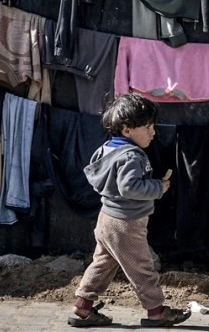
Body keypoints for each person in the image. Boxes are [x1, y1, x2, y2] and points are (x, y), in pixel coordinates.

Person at [67, 93, 192, 328]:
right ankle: (156, 312)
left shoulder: (107, 149)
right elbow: (129, 187)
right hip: (127, 223)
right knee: (142, 268)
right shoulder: (132, 155)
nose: (153, 132)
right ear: (126, 130)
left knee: (102, 265)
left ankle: (82, 308)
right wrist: (158, 187)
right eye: (147, 127)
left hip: (107, 218)